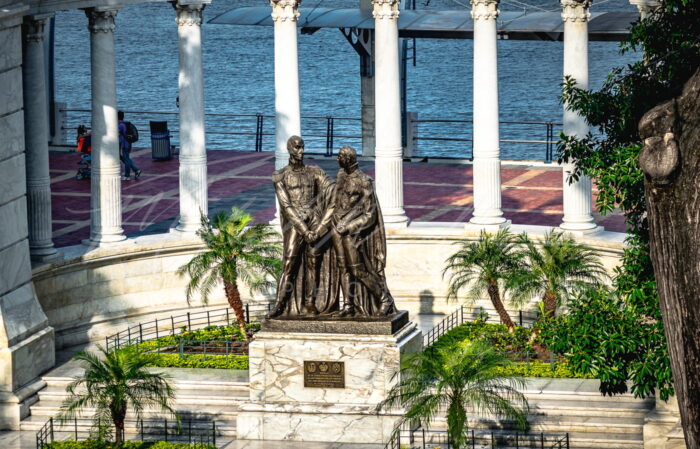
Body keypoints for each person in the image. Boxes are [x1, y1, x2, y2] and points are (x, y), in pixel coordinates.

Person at [315, 146, 398, 317]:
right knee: (343, 268)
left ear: (348, 159)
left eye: (340, 156)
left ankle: (384, 299)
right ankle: (348, 306)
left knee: (357, 269)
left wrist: (350, 226)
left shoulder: (363, 181)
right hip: (336, 227)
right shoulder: (340, 175)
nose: (337, 158)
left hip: (351, 232)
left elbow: (370, 214)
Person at [268, 136, 337, 318]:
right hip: (295, 223)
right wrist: (304, 231)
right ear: (289, 149)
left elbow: (331, 189)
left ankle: (310, 303)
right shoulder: (280, 176)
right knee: (289, 262)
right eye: (297, 148)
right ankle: (279, 305)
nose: (301, 151)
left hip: (314, 219)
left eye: (302, 147)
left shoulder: (314, 172)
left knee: (314, 262)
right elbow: (286, 206)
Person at [118, 111, 141, 181]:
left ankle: (127, 175)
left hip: (125, 144)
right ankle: (136, 170)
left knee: (126, 159)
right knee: (124, 158)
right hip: (128, 143)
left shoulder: (120, 125)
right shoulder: (125, 124)